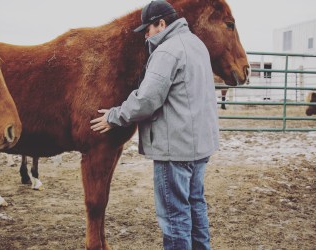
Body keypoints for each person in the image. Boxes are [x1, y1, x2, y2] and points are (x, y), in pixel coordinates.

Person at [90, 1, 219, 249]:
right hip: (200, 145)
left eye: (148, 29)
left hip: (175, 149)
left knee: (174, 216)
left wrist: (114, 116)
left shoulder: (167, 51)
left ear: (161, 23)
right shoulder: (196, 45)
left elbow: (147, 100)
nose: (146, 35)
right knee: (195, 206)